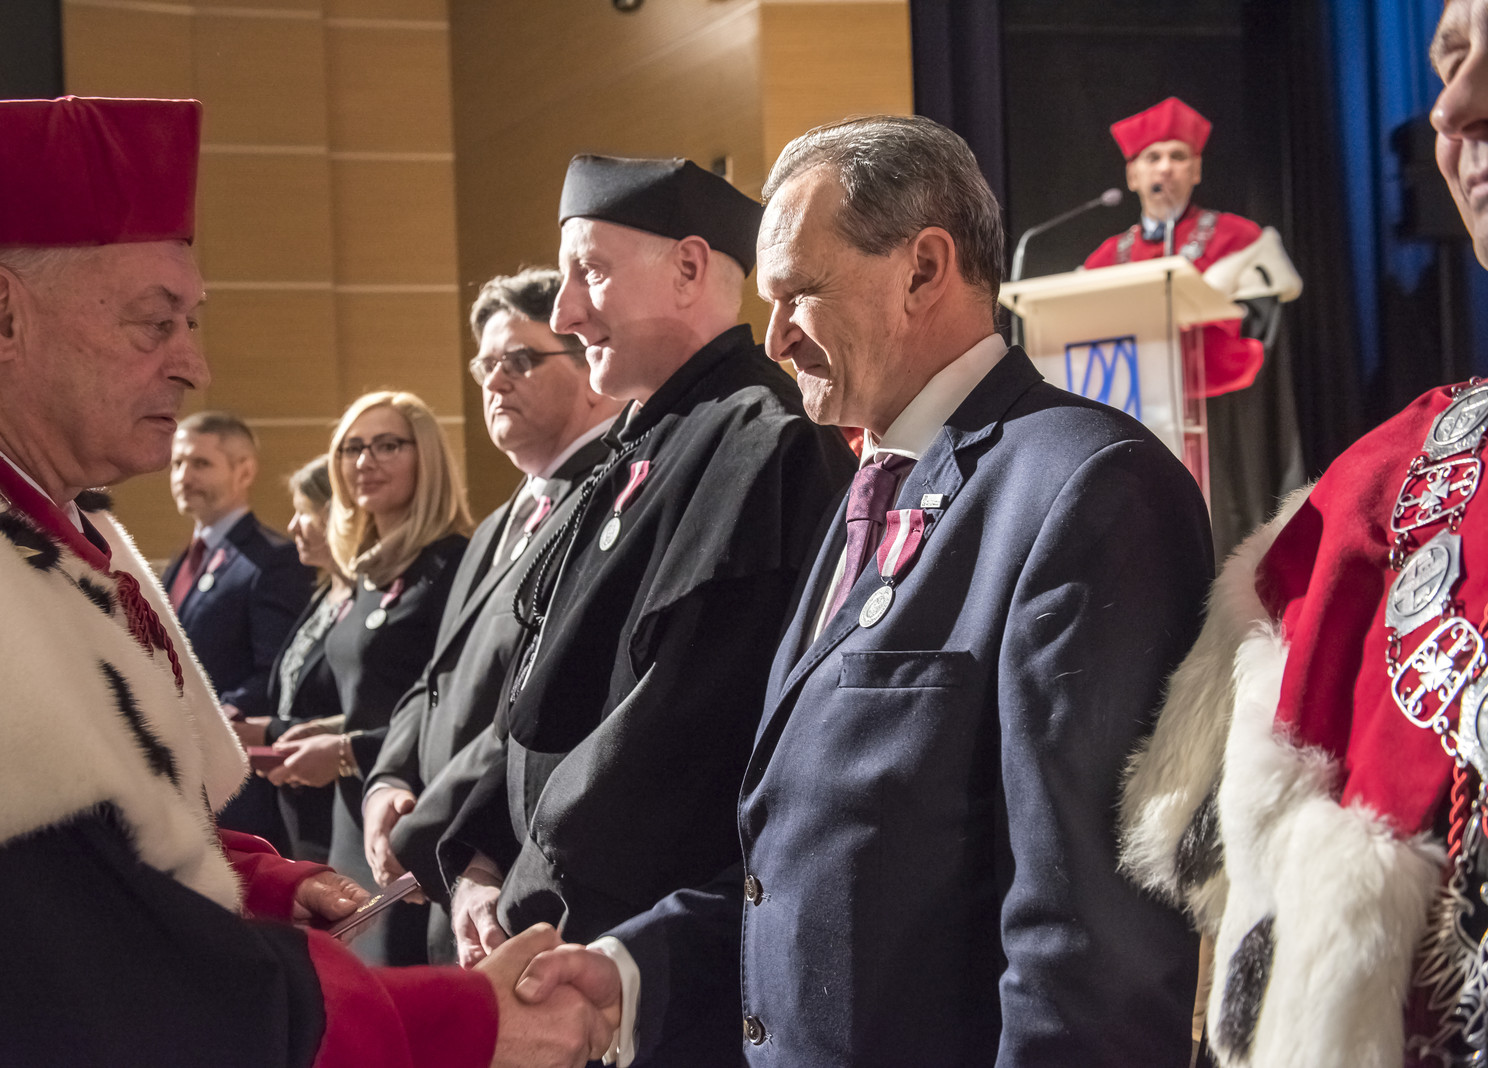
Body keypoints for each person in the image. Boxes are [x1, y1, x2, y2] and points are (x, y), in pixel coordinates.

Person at [0, 94, 613, 1068]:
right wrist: (458, 1020)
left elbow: (90, 843)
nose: (195, 365)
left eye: (192, 321)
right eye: (155, 323)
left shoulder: (23, 522)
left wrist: (254, 881)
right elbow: (101, 990)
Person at [516, 115, 1214, 1066]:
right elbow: (825, 869)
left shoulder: (1083, 486)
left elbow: (1088, 945)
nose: (774, 338)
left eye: (798, 294)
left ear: (923, 269)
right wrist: (636, 972)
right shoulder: (870, 487)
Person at [1119, 3, 1488, 1064]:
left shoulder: (1237, 242)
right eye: (1449, 59)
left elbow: (1269, 294)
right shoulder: (1379, 486)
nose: (1453, 107)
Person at [441, 155, 855, 966]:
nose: (565, 313)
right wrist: (481, 854)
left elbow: (675, 736)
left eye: (589, 272)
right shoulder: (639, 442)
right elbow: (541, 687)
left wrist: (529, 895)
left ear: (689, 269)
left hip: (638, 947)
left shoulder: (766, 445)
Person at [362, 268, 622, 963]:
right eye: (486, 365)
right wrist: (389, 778)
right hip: (438, 864)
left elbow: (537, 705)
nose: (495, 381)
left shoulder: (606, 507)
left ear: (593, 373)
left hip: (499, 864)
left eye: (521, 359)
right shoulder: (497, 523)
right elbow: (435, 676)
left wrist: (430, 823)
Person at [266, 390, 470, 965]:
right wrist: (329, 729)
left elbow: (453, 708)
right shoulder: (369, 570)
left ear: (425, 456)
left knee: (402, 983)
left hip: (411, 811)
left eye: (387, 445)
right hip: (351, 811)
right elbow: (382, 693)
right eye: (352, 448)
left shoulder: (451, 564)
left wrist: (348, 750)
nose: (365, 461)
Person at [1082, 96, 1306, 557]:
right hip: (1131, 415)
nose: (1165, 167)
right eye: (1153, 157)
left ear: (1196, 170)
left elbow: (1259, 331)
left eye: (1178, 156)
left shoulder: (1237, 239)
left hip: (1217, 420)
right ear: (1133, 175)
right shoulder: (1105, 257)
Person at [165, 409, 313, 849]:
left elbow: (278, 671)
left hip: (240, 786)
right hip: (184, 779)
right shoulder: (181, 563)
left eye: (201, 463)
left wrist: (215, 718)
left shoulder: (274, 560)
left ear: (244, 471)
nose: (183, 476)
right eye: (177, 463)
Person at [259, 455, 348, 863]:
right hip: (299, 803)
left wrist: (269, 732)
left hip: (343, 805)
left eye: (304, 512)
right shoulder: (324, 593)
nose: (293, 526)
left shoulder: (370, 599)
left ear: (336, 515)